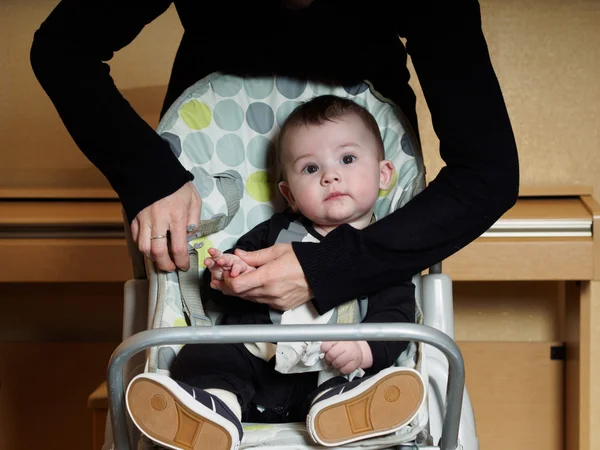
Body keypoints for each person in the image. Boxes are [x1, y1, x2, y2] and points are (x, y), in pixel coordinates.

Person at [30, 1, 519, 320]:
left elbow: (487, 173)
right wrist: (150, 176)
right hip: (212, 130)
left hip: (369, 118)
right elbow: (62, 48)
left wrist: (325, 266)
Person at [125, 95, 425, 450]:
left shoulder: (383, 249)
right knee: (206, 355)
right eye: (311, 169)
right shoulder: (274, 234)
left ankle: (346, 413)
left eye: (347, 158)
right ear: (290, 194)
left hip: (328, 370)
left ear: (384, 173)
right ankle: (214, 411)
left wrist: (363, 350)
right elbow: (226, 281)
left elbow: (397, 314)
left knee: (367, 375)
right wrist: (227, 277)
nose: (331, 175)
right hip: (255, 360)